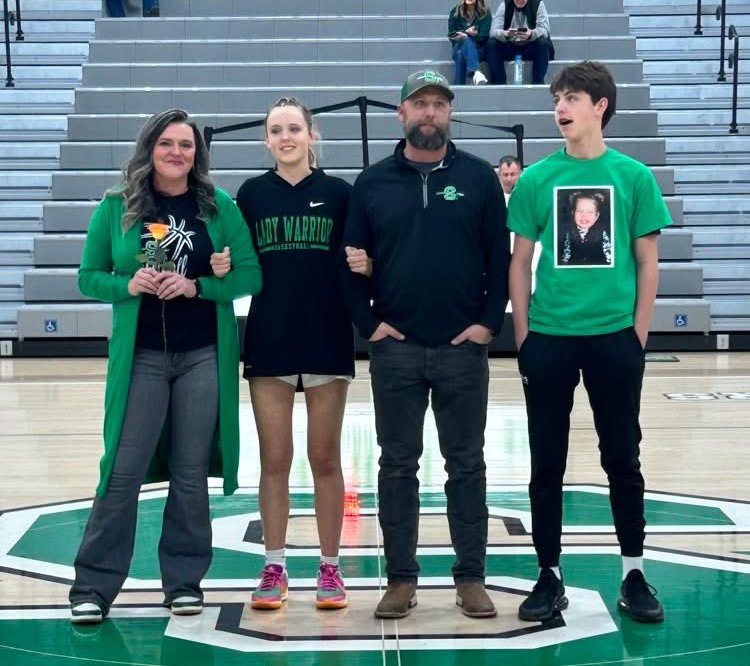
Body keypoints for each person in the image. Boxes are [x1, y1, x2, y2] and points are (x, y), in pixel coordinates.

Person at [68, 109, 262, 625]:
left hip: (202, 355)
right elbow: (89, 276)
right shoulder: (117, 206)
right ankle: (92, 585)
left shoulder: (218, 207)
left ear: (198, 154)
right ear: (149, 148)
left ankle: (183, 582)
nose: (177, 152)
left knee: (190, 471)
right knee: (122, 470)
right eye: (167, 143)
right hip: (143, 358)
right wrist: (126, 285)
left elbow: (250, 275)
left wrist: (200, 285)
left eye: (187, 145)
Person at [507, 61, 673, 625]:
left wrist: (638, 334)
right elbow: (520, 262)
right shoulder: (535, 179)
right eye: (557, 97)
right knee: (545, 462)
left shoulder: (632, 176)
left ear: (599, 105)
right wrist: (526, 337)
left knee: (622, 458)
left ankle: (634, 571)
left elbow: (649, 263)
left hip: (613, 339)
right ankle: (548, 574)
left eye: (571, 97)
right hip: (550, 338)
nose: (560, 107)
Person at [342, 69, 510, 620]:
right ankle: (400, 578)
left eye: (439, 103)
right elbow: (347, 264)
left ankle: (471, 577)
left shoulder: (480, 178)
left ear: (450, 112)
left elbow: (499, 260)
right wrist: (369, 326)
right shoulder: (371, 183)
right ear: (402, 113)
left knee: (466, 464)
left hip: (464, 348)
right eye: (420, 104)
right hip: (398, 349)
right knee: (396, 466)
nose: (430, 113)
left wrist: (489, 325)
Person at [214, 98, 355, 612]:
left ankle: (330, 568)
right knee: (274, 459)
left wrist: (365, 263)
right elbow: (235, 258)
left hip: (327, 337)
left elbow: (360, 257)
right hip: (270, 338)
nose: (286, 137)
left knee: (324, 458)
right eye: (276, 130)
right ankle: (273, 564)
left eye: (295, 128)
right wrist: (222, 263)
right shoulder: (251, 194)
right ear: (265, 140)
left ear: (312, 135)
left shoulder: (340, 193)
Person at [486, 0, 554, 86]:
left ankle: (538, 81)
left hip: (530, 46)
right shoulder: (504, 5)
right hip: (510, 46)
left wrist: (531, 34)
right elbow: (493, 32)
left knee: (543, 43)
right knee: (491, 44)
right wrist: (506, 34)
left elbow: (545, 30)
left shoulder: (538, 4)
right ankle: (499, 82)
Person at [448, 0, 491, 87]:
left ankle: (458, 88)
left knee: (460, 55)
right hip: (458, 46)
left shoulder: (485, 13)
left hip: (478, 50)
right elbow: (451, 34)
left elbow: (484, 36)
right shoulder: (455, 11)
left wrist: (471, 36)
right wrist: (467, 33)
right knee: (465, 41)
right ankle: (476, 72)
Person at [558, 189, 612, 266]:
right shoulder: (568, 231)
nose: (584, 216)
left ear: (597, 216)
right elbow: (566, 253)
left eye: (590, 212)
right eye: (580, 211)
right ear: (573, 213)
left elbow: (609, 255)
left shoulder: (602, 232)